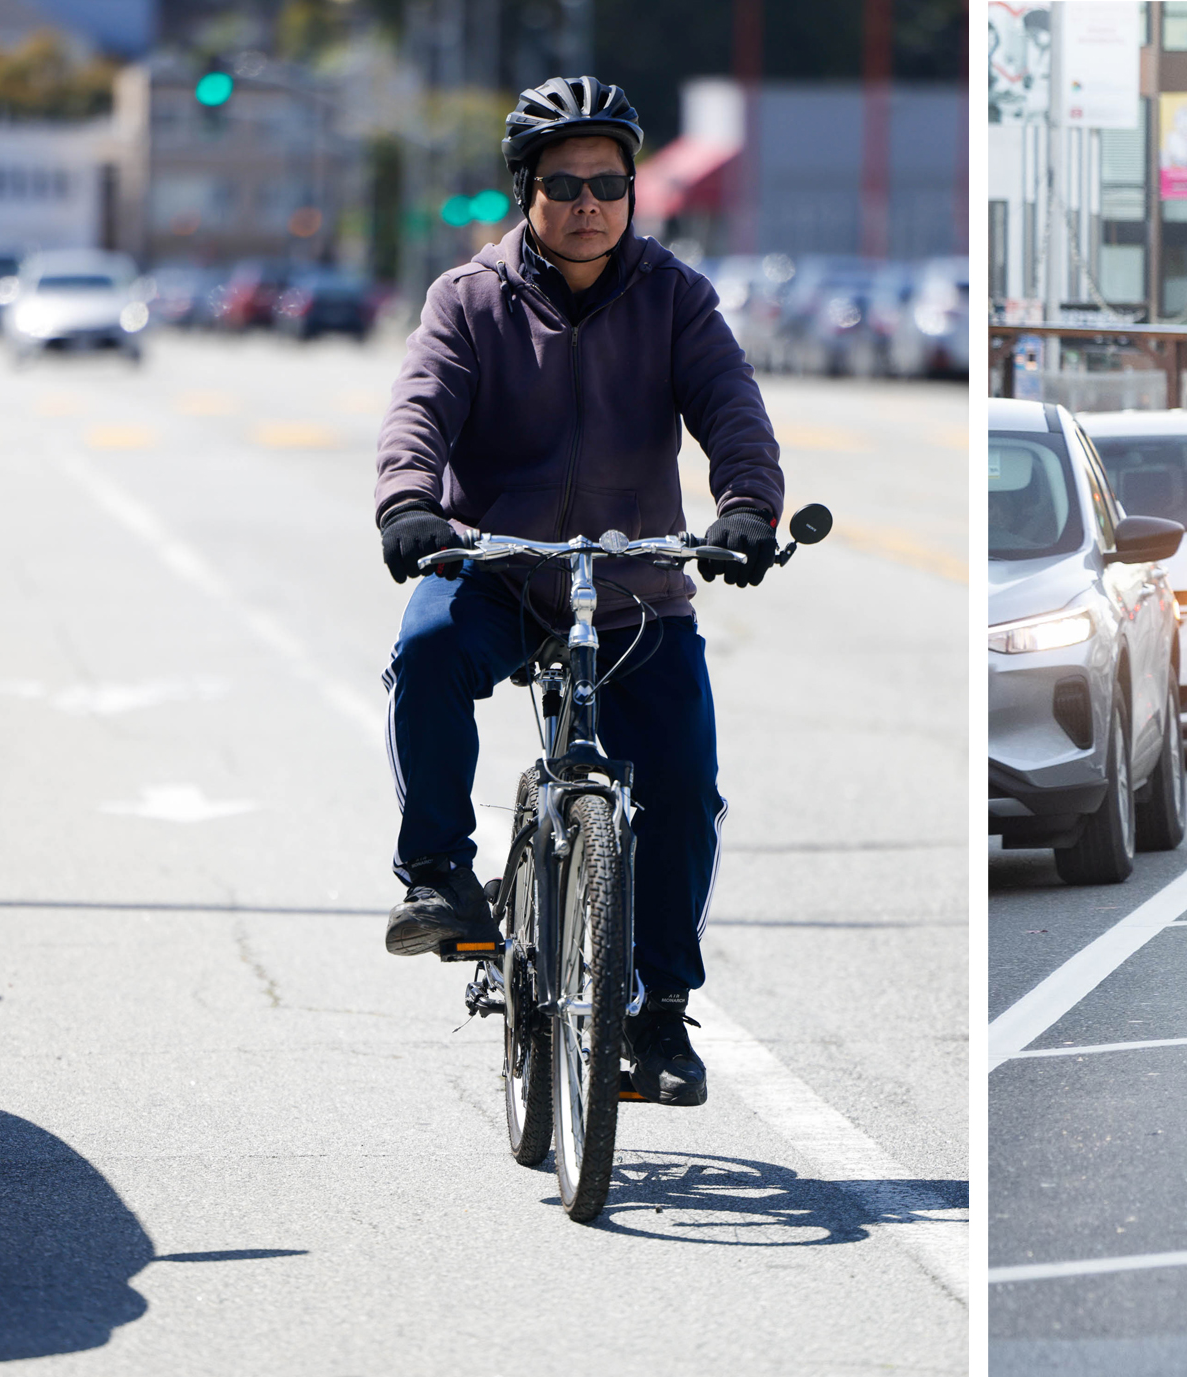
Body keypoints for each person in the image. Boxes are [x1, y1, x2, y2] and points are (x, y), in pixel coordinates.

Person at [372, 75, 786, 1105]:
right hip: (502, 571)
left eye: (610, 181)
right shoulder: (466, 298)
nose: (590, 201)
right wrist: (408, 505)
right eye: (565, 184)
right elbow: (418, 408)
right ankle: (437, 875)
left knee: (684, 786)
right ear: (526, 192)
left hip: (638, 587)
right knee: (425, 650)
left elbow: (733, 412)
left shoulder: (676, 297)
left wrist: (745, 510)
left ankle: (658, 1017)